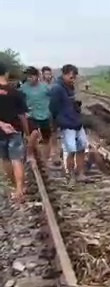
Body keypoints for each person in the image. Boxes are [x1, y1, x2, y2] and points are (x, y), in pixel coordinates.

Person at [50, 64, 87, 182]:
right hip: (67, 125)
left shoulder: (70, 87)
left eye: (74, 77)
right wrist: (58, 123)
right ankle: (70, 175)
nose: (73, 79)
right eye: (71, 77)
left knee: (81, 148)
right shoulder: (57, 88)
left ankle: (81, 174)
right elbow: (53, 108)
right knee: (71, 150)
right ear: (64, 74)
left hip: (77, 123)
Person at [0, 62, 29, 202]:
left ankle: (15, 187)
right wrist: (27, 132)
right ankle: (19, 190)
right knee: (16, 160)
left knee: (5, 160)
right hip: (15, 130)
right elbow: (22, 115)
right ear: (6, 73)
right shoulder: (16, 93)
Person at [20, 67, 51, 163]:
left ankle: (46, 158)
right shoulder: (23, 88)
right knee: (34, 134)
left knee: (46, 138)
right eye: (28, 77)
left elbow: (53, 98)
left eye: (31, 76)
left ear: (37, 76)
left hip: (45, 115)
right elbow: (18, 100)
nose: (29, 79)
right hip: (31, 116)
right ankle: (29, 154)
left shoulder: (45, 87)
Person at [41, 66, 60, 164]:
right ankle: (47, 154)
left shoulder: (55, 84)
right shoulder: (40, 85)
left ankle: (54, 152)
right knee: (46, 134)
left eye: (49, 74)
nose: (48, 76)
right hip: (43, 112)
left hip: (54, 111)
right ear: (43, 74)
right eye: (46, 74)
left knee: (54, 132)